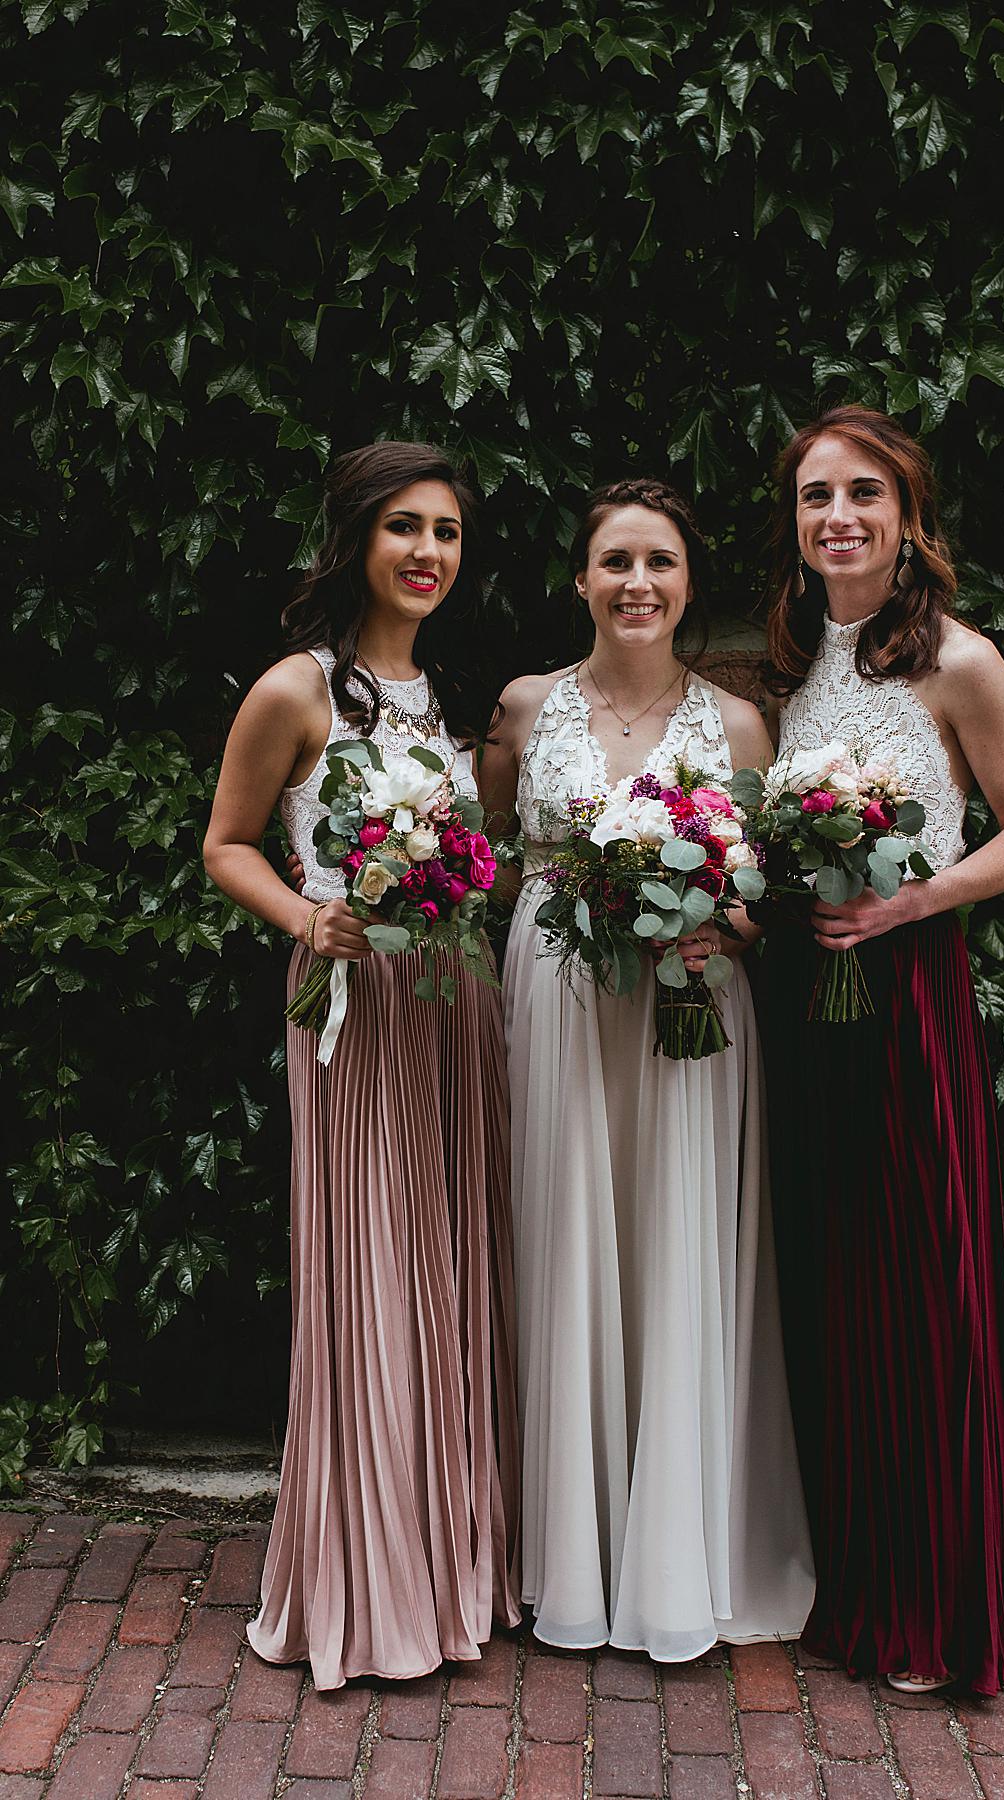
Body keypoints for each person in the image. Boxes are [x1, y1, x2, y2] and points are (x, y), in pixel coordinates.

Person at [480, 476, 814, 1659]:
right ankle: (565, 1553)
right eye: (615, 561)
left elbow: (769, 893)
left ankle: (672, 1551)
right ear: (581, 579)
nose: (637, 584)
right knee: (564, 1237)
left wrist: (731, 927)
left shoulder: (734, 726)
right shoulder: (524, 709)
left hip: (687, 1006)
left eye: (659, 563)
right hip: (561, 995)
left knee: (671, 1243)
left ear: (686, 585)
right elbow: (499, 871)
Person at [202, 441, 517, 1689]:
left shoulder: (444, 704)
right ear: (355, 542)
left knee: (446, 1264)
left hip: (454, 1004)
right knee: (374, 1269)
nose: (427, 552)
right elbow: (227, 843)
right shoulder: (297, 690)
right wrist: (303, 917)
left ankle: (452, 1562)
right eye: (403, 528)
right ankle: (370, 1579)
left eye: (444, 530)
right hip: (349, 1002)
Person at [756, 405, 1004, 1696]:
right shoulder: (798, 663)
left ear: (907, 515)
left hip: (912, 989)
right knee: (834, 1287)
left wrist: (908, 903)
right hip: (807, 991)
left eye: (863, 493)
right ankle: (858, 1573)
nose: (839, 515)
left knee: (925, 1285)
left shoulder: (962, 664)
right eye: (818, 494)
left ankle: (940, 1598)